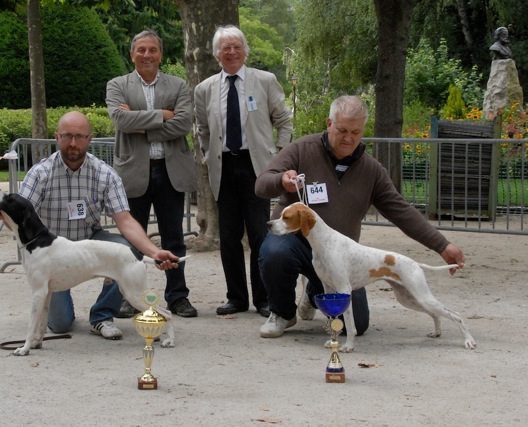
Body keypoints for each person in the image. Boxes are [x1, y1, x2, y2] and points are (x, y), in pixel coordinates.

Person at [255, 95, 466, 338]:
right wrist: (281, 180)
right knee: (274, 253)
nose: (348, 138)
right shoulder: (302, 149)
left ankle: (314, 293)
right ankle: (282, 313)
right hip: (295, 244)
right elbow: (262, 184)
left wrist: (442, 245)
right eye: (342, 130)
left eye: (356, 132)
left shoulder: (372, 170)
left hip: (341, 257)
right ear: (329, 124)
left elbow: (401, 211)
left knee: (357, 326)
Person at [0, 111, 183, 340]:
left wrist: (154, 252)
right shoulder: (40, 174)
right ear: (57, 137)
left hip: (90, 242)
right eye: (67, 136)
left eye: (79, 136)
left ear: (90, 138)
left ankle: (102, 316)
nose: (73, 143)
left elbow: (125, 221)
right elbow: (21, 221)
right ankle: (56, 319)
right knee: (59, 324)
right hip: (52, 251)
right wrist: (2, 217)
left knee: (124, 249)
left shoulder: (105, 174)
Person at [194, 25, 293, 317]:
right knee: (228, 236)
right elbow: (202, 129)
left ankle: (263, 298)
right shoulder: (205, 89)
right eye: (225, 48)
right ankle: (236, 297)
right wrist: (206, 155)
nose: (232, 52)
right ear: (217, 54)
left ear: (245, 50)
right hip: (224, 167)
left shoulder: (265, 81)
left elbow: (284, 121)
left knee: (260, 234)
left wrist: (279, 157)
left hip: (258, 167)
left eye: (236, 46)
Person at [105, 30, 198, 318]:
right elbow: (120, 119)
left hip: (170, 172)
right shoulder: (117, 84)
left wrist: (139, 119)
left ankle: (178, 297)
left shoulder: (179, 85)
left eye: (153, 50)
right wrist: (162, 114)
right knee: (131, 240)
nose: (147, 55)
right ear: (132, 54)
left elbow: (183, 124)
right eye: (141, 50)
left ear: (160, 54)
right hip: (134, 172)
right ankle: (128, 297)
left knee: (174, 238)